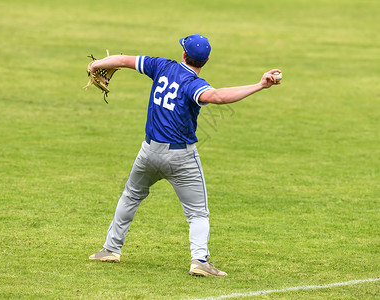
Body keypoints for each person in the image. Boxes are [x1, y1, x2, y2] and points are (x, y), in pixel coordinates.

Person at [89, 34, 281, 277]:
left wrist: (97, 65)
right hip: (181, 158)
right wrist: (260, 85)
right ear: (207, 60)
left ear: (183, 53)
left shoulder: (161, 65)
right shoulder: (193, 84)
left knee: (130, 196)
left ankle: (110, 249)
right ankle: (199, 261)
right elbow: (218, 96)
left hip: (148, 152)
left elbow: (124, 60)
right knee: (197, 213)